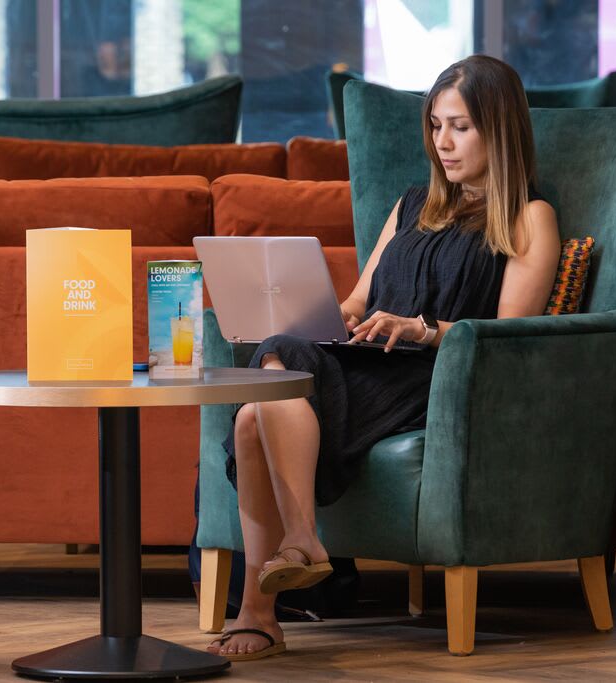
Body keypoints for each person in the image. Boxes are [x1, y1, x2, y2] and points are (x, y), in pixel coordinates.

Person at [206, 54, 560, 661]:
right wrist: (324, 316)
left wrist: (420, 330)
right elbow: (358, 299)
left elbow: (508, 335)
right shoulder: (411, 204)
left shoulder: (530, 217)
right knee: (277, 362)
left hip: (431, 375)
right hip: (365, 359)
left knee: (250, 417)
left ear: (499, 130)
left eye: (460, 127)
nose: (442, 142)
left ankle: (260, 609)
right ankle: (299, 545)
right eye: (435, 125)